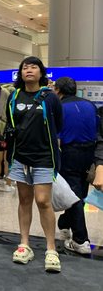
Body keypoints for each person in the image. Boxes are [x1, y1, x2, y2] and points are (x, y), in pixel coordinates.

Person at [6, 56, 63, 272]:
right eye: (25, 67)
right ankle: (24, 244)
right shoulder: (14, 96)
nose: (28, 70)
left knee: (43, 201)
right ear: (21, 73)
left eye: (33, 67)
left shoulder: (50, 98)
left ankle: (51, 249)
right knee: (24, 199)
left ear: (41, 72)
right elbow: (10, 122)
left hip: (44, 157)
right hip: (20, 156)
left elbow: (59, 124)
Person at [53, 77, 99, 255]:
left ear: (58, 90)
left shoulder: (59, 107)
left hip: (69, 152)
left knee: (73, 196)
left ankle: (81, 240)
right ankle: (65, 223)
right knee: (80, 191)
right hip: (89, 153)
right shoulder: (90, 105)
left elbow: (55, 133)